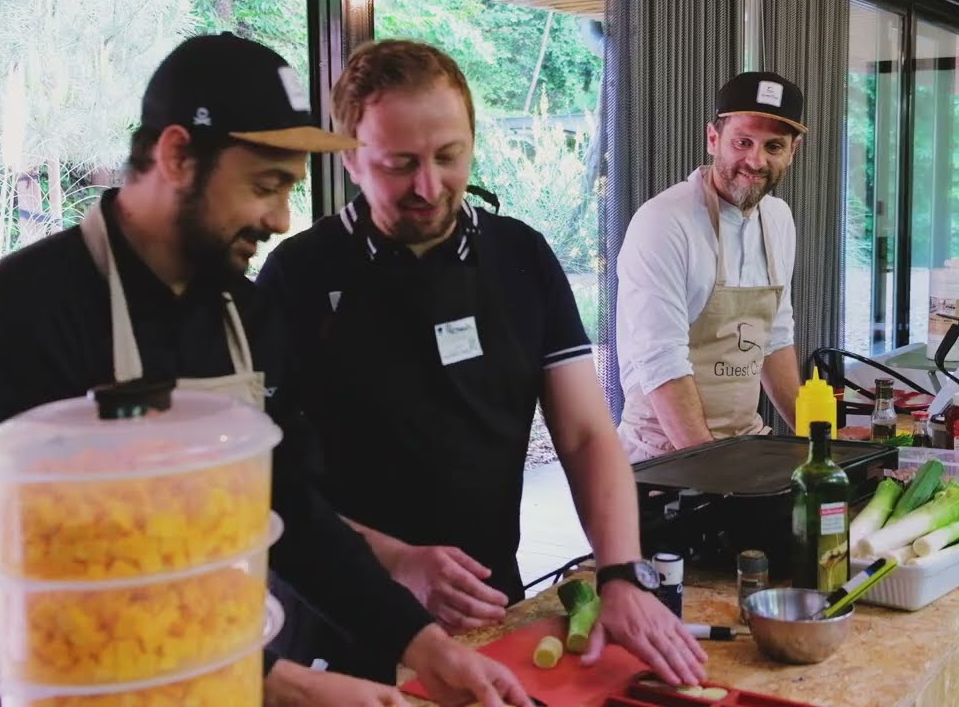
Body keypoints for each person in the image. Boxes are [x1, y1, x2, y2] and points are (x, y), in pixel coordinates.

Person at [0, 33, 531, 707]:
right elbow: (71, 564)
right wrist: (285, 684)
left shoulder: (245, 314)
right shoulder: (26, 307)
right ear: (177, 155)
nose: (280, 219)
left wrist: (422, 645)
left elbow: (288, 508)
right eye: (265, 186)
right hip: (37, 663)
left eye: (289, 190)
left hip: (198, 650)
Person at [255, 39, 707, 688]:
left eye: (449, 156)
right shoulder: (296, 276)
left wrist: (619, 573)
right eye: (400, 164)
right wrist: (394, 561)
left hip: (489, 616)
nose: (428, 186)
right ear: (350, 157)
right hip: (338, 632)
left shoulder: (520, 257)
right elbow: (263, 488)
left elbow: (584, 435)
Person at [614, 71, 805, 462]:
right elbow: (661, 362)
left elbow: (775, 340)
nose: (756, 160)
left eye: (773, 146)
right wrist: (713, 472)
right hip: (662, 456)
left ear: (792, 151)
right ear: (713, 139)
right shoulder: (664, 222)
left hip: (744, 445)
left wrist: (826, 446)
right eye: (742, 142)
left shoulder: (778, 219)